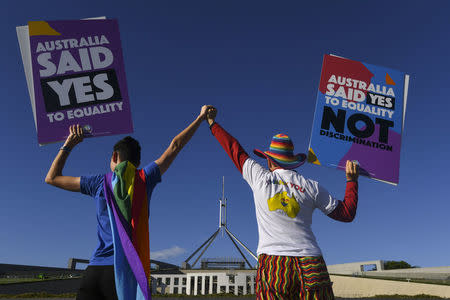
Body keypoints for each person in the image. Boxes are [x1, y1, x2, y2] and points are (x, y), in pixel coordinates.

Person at [45, 105, 214, 300]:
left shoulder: (99, 183)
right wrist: (200, 118)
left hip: (95, 272)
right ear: (138, 163)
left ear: (114, 156)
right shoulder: (144, 178)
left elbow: (52, 178)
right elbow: (175, 146)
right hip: (124, 273)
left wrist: (69, 144)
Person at [206, 107, 359, 300]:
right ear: (293, 161)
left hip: (273, 262)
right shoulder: (312, 187)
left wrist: (212, 122)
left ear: (269, 161)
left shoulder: (259, 178)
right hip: (311, 261)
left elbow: (234, 149)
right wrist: (351, 180)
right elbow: (346, 213)